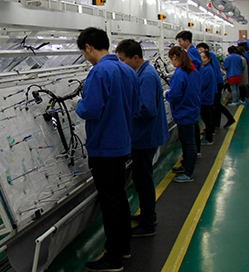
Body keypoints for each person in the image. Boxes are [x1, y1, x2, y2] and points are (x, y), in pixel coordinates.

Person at [75, 27, 140, 272]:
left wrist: (78, 104)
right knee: (119, 196)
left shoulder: (99, 72)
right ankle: (123, 247)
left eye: (84, 53)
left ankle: (113, 258)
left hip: (104, 147)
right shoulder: (128, 70)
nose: (85, 57)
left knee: (109, 202)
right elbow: (134, 105)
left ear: (89, 47)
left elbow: (90, 109)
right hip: (122, 143)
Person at [115, 39, 169, 237]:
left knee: (143, 180)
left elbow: (147, 109)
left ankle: (148, 224)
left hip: (145, 137)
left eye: (123, 60)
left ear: (135, 58)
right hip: (144, 135)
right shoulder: (142, 73)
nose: (121, 64)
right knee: (141, 179)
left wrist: (124, 110)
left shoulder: (146, 77)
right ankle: (148, 215)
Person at [165, 46, 201, 183]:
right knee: (187, 142)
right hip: (192, 109)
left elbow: (175, 94)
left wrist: (166, 94)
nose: (171, 62)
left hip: (184, 112)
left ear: (175, 57)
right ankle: (186, 165)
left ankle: (188, 173)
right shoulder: (193, 71)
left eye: (170, 59)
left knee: (189, 143)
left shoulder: (180, 73)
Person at [196, 43, 236, 128]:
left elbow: (212, 71)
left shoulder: (211, 56)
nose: (200, 53)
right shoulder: (211, 56)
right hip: (216, 81)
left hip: (216, 82)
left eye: (201, 50)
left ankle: (224, 120)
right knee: (216, 104)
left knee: (216, 104)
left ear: (206, 50)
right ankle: (217, 123)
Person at [175, 31, 202, 156]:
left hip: (187, 106)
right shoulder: (192, 51)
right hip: (193, 99)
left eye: (180, 41)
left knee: (189, 138)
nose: (179, 44)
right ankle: (195, 153)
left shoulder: (191, 53)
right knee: (193, 129)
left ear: (187, 41)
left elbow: (192, 69)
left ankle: (191, 159)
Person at [199, 51, 216, 144]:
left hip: (205, 98)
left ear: (209, 59)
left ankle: (209, 138)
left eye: (204, 57)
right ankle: (209, 135)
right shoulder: (207, 68)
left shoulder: (207, 70)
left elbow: (202, 84)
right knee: (208, 118)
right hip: (206, 97)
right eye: (201, 57)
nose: (202, 59)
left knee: (207, 119)